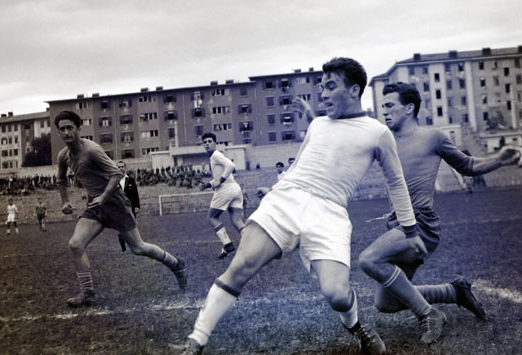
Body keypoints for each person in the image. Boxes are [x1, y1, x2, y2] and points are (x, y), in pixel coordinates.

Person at [180, 58, 423, 355]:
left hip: (330, 213)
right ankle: (196, 341)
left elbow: (396, 182)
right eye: (322, 87)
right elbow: (301, 164)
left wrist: (410, 231)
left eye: (330, 87)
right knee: (240, 266)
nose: (323, 93)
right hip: (286, 201)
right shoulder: (318, 124)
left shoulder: (377, 132)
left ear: (353, 90)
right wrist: (275, 189)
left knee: (337, 295)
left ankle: (357, 327)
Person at [356, 82, 520, 344]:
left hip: (421, 224)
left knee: (369, 260)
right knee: (386, 303)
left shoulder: (433, 137)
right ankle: (454, 292)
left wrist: (499, 158)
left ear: (409, 108)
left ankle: (429, 314)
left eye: (389, 105)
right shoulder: (384, 140)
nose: (383, 111)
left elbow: (467, 165)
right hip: (397, 225)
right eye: (382, 106)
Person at [54, 110, 186, 307]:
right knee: (75, 244)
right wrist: (64, 201)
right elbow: (61, 179)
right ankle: (87, 293)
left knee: (138, 248)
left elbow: (117, 174)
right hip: (95, 204)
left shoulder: (92, 150)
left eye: (69, 128)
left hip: (115, 201)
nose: (66, 132)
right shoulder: (63, 156)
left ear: (79, 129)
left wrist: (104, 196)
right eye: (62, 129)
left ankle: (176, 264)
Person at [200, 133, 246, 259]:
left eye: (210, 141)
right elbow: (220, 176)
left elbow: (231, 165)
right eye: (205, 142)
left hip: (225, 189)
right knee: (237, 220)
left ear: (215, 144)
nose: (207, 144)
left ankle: (227, 244)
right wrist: (207, 185)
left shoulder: (216, 155)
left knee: (212, 217)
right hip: (235, 188)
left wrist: (220, 181)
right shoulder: (215, 156)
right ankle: (252, 242)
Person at [116, 160, 140, 252]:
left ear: (125, 168)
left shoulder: (130, 180)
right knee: (122, 226)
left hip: (130, 207)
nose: (120, 168)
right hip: (119, 207)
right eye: (119, 167)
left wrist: (137, 205)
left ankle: (134, 244)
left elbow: (135, 193)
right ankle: (122, 243)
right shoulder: (114, 181)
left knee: (132, 225)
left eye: (122, 167)